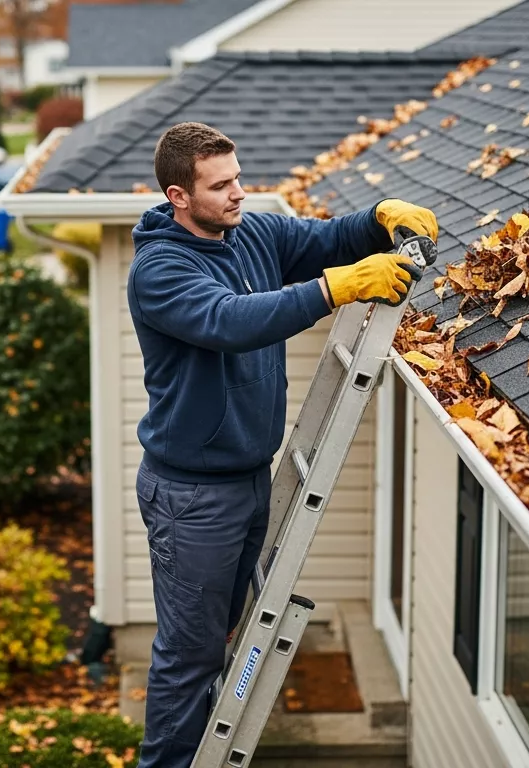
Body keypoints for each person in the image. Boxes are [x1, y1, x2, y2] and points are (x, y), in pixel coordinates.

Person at [125, 121, 438, 767]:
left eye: (238, 177)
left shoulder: (253, 233)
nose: (238, 192)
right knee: (189, 656)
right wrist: (336, 288)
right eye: (221, 186)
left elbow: (328, 238)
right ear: (179, 196)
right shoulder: (159, 270)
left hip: (247, 478)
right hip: (191, 498)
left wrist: (381, 218)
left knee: (222, 638)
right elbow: (229, 320)